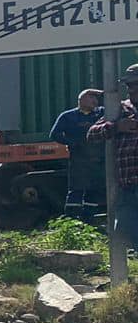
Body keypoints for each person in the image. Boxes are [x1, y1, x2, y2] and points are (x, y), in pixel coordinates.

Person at [87, 66, 138, 254]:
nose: (130, 90)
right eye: (129, 86)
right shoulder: (121, 109)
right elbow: (91, 134)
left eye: (135, 85)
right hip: (129, 185)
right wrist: (117, 127)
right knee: (124, 228)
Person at [49, 87, 106, 222]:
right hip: (79, 159)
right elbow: (54, 134)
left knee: (94, 189)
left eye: (96, 98)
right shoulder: (68, 116)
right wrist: (72, 143)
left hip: (98, 159)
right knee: (76, 189)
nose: (95, 101)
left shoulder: (101, 113)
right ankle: (71, 220)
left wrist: (104, 93)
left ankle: (89, 219)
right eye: (91, 97)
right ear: (81, 100)